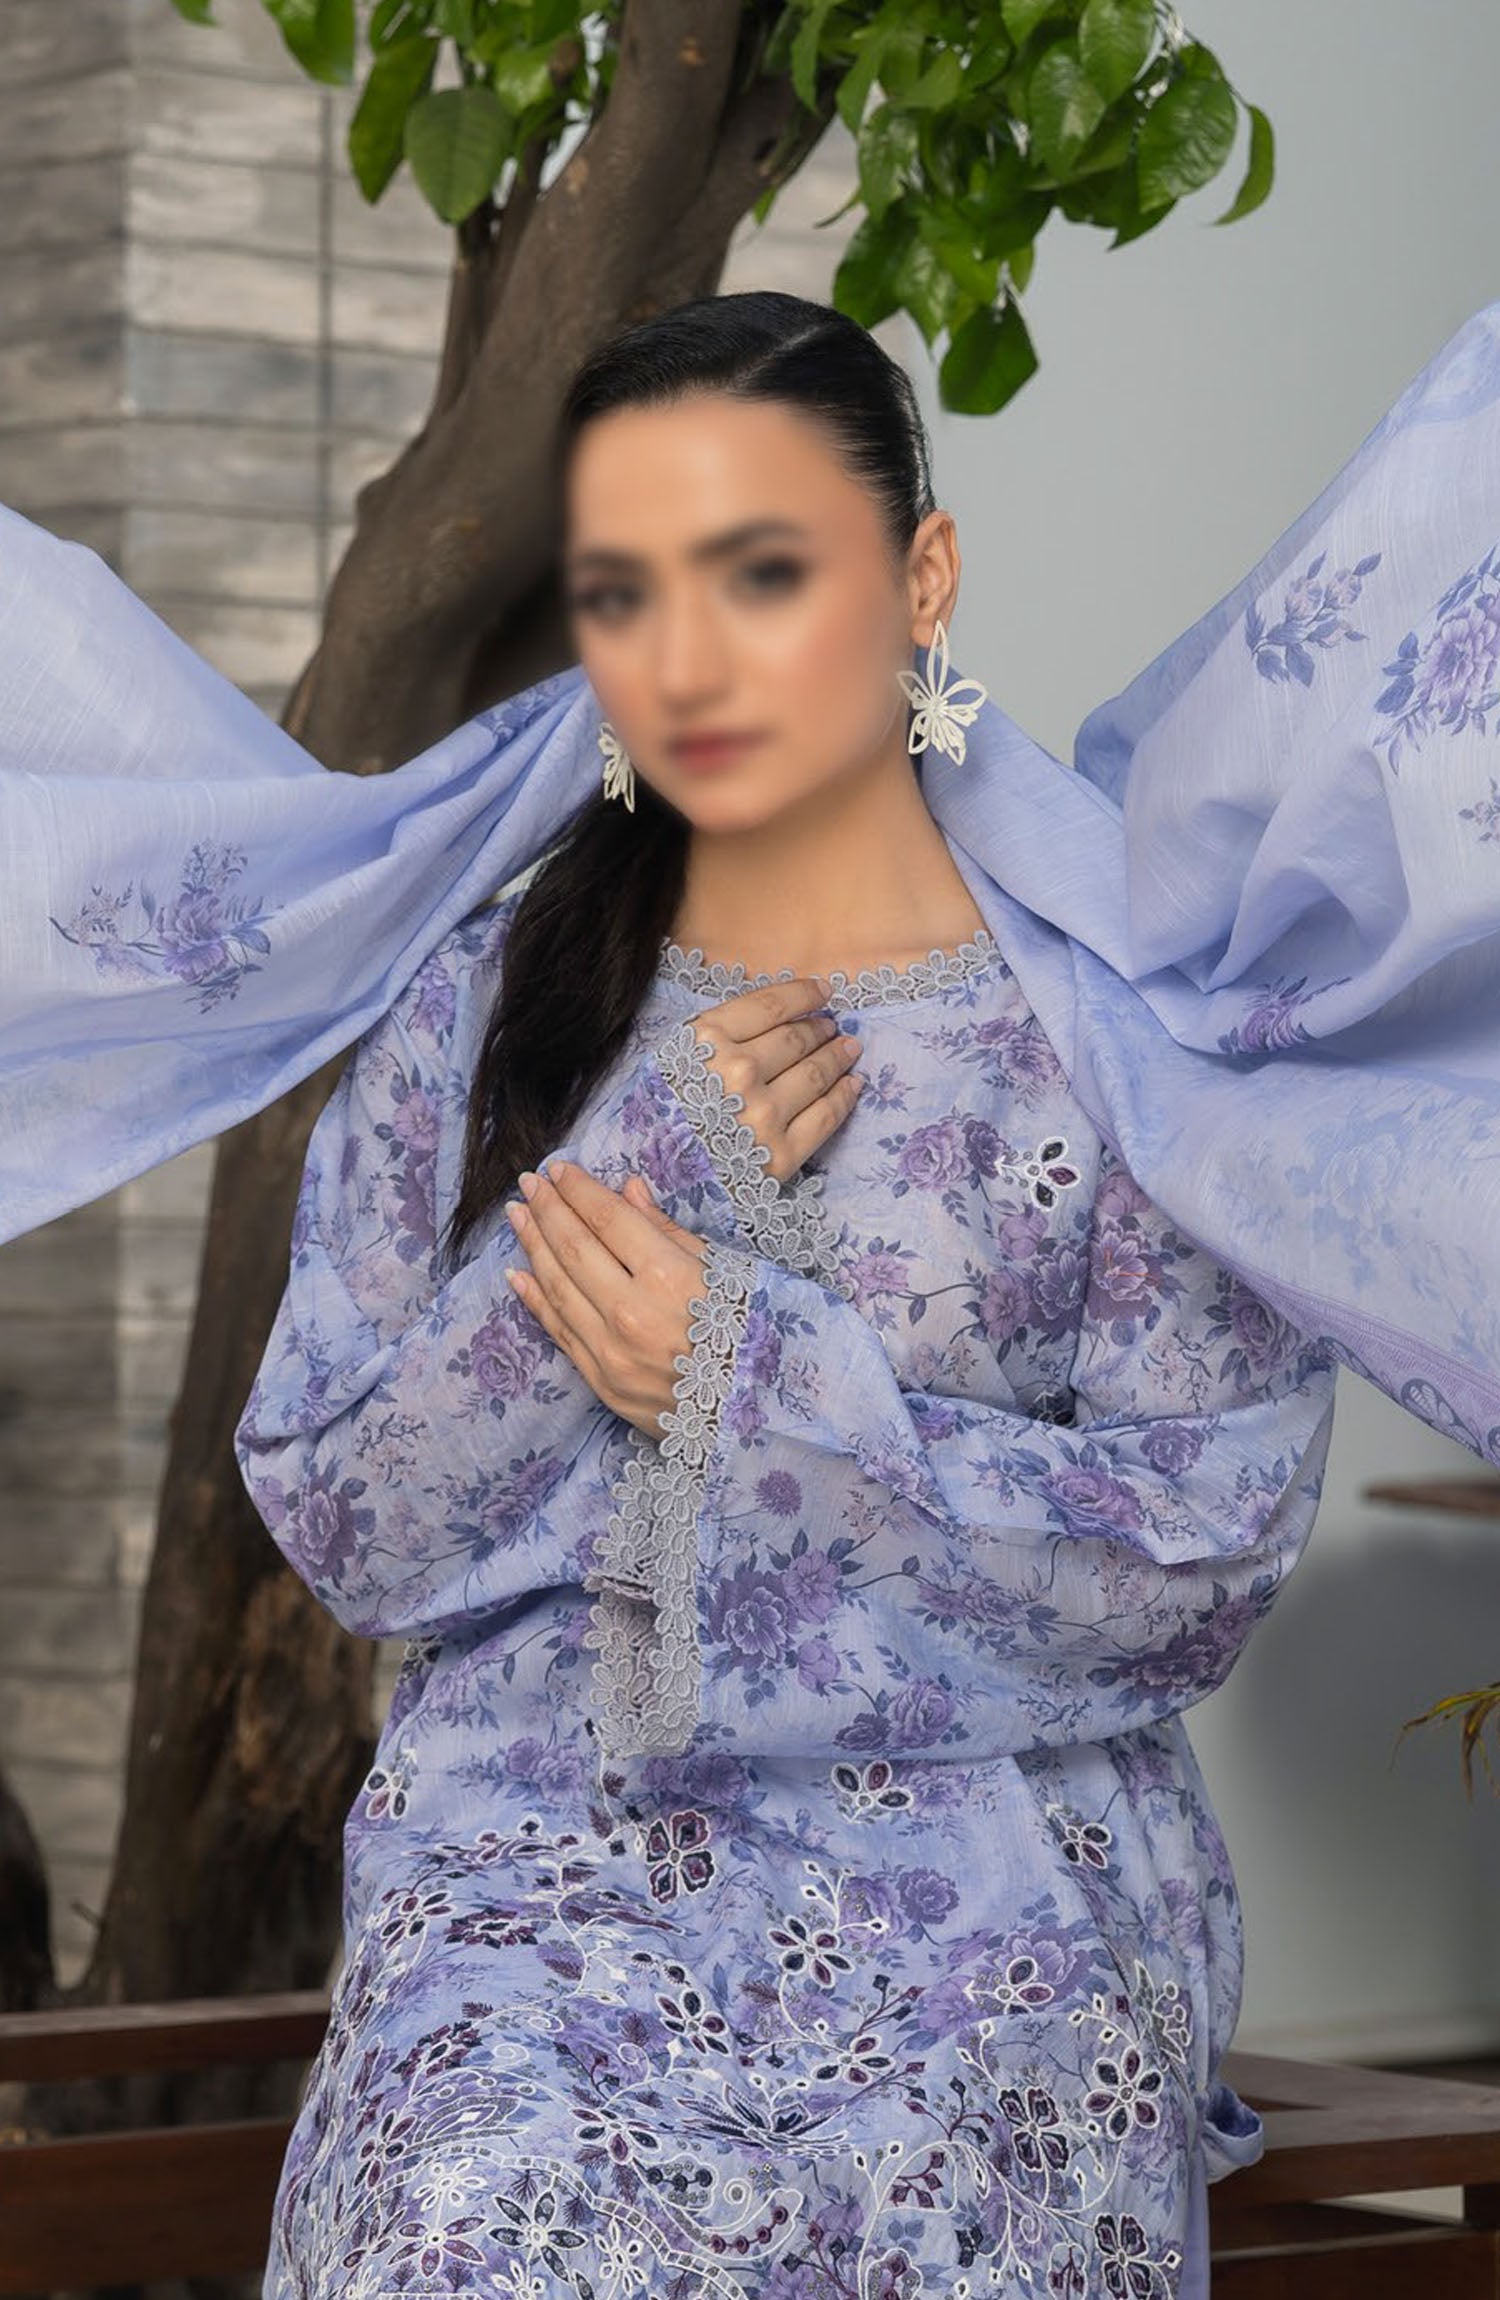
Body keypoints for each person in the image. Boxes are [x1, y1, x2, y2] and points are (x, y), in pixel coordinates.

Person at [230, 292, 1337, 2297]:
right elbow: (345, 1518)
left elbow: (1202, 1547)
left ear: (923, 575)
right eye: (624, 591)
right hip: (532, 1879)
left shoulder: (1113, 1043)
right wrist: (632, 1188)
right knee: (479, 2221)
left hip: (993, 1899)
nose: (688, 658)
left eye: (760, 572)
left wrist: (745, 1381)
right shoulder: (488, 1009)